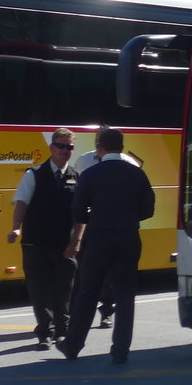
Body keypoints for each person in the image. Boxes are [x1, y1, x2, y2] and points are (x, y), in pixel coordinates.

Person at [56, 127, 155, 365]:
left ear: (100, 148)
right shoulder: (136, 174)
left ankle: (73, 345)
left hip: (99, 238)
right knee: (125, 295)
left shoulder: (91, 174)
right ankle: (120, 351)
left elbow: (78, 210)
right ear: (121, 147)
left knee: (88, 292)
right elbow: (148, 209)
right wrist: (127, 218)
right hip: (129, 238)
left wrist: (98, 218)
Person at [7, 128, 79, 350]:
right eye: (60, 146)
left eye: (69, 147)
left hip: (63, 245)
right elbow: (22, 203)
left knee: (64, 289)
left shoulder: (77, 177)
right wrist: (16, 228)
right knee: (39, 289)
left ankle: (62, 330)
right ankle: (44, 333)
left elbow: (81, 215)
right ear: (51, 148)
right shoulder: (34, 174)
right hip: (36, 243)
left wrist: (76, 242)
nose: (65, 151)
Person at [74, 142, 115, 328]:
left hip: (109, 224)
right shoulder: (84, 160)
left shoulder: (127, 163)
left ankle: (107, 310)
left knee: (108, 272)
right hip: (88, 223)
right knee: (82, 267)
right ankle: (78, 315)